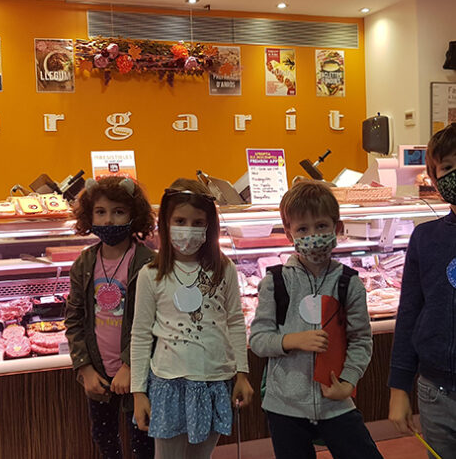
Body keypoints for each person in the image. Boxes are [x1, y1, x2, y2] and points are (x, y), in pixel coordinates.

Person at [250, 180, 382, 459]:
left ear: (337, 227)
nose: (313, 235)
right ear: (289, 234)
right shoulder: (275, 282)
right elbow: (259, 340)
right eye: (302, 229)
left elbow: (361, 339)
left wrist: (348, 381)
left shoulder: (349, 283)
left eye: (321, 226)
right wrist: (292, 340)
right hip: (284, 406)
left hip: (336, 401)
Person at [130, 178, 254, 459]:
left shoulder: (224, 269)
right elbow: (140, 335)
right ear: (165, 222)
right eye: (180, 221)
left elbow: (235, 321)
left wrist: (242, 374)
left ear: (209, 225)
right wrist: (139, 392)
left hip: (216, 381)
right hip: (169, 383)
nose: (188, 229)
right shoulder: (151, 274)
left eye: (198, 222)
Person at [65, 176, 156, 459]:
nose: (108, 220)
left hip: (140, 374)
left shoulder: (148, 263)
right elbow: (74, 318)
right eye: (100, 212)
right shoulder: (84, 263)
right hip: (98, 372)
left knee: (144, 439)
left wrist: (130, 366)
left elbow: (154, 323)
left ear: (133, 215)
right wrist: (84, 368)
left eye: (118, 212)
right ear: (89, 216)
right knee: (104, 438)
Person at [389, 122, 456, 458]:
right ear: (434, 177)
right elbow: (409, 313)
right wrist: (399, 387)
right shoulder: (425, 238)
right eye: (447, 167)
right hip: (435, 392)